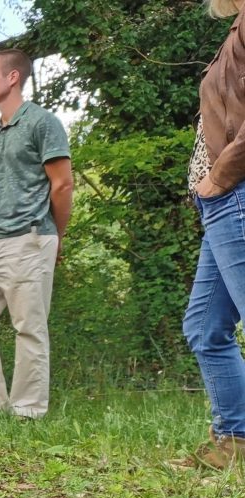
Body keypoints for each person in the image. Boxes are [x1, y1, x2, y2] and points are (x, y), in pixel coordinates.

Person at [0, 49, 74, 419]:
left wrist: (56, 236)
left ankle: (27, 412)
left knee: (29, 328)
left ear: (12, 78)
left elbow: (63, 184)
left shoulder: (42, 123)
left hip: (30, 236)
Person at [180, 0, 245, 468]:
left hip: (235, 190)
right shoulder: (237, 30)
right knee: (205, 328)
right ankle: (234, 442)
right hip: (220, 201)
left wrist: (220, 176)